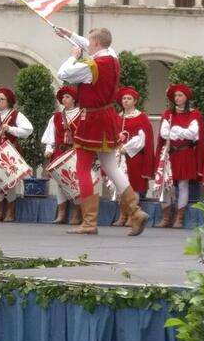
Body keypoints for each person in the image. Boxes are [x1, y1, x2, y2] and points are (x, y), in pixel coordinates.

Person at [54, 26, 149, 236]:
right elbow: (91, 45)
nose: (87, 45)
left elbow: (63, 73)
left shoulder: (91, 65)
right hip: (108, 116)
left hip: (92, 118)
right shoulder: (112, 56)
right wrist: (69, 35)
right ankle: (135, 211)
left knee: (82, 167)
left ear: (96, 44)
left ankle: (89, 222)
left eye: (90, 42)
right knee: (111, 166)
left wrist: (73, 56)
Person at [0, 87, 33, 223]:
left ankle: (10, 212)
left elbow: (28, 130)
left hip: (10, 153)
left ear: (8, 101)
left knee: (11, 182)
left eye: (2, 99)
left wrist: (11, 129)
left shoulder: (16, 115)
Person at [156, 83, 204, 228]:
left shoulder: (194, 114)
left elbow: (193, 134)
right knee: (166, 185)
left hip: (185, 152)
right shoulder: (168, 114)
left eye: (180, 95)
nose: (177, 98)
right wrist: (180, 132)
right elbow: (164, 133)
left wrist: (176, 129)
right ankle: (166, 217)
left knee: (183, 184)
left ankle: (179, 218)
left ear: (186, 97)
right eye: (175, 96)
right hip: (170, 153)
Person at [111, 87, 156, 227]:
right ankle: (122, 215)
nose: (126, 101)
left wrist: (126, 148)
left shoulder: (141, 117)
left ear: (135, 101)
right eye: (124, 98)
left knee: (133, 186)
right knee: (121, 186)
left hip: (134, 157)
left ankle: (133, 216)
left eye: (129, 98)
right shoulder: (118, 117)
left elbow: (142, 139)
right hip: (119, 157)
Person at [41, 85, 82, 225]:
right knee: (60, 183)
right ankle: (61, 213)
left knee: (76, 182)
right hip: (60, 151)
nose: (64, 99)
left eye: (67, 97)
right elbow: (50, 136)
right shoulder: (56, 117)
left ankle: (77, 214)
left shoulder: (82, 115)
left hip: (76, 152)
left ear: (74, 99)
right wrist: (49, 148)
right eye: (63, 97)